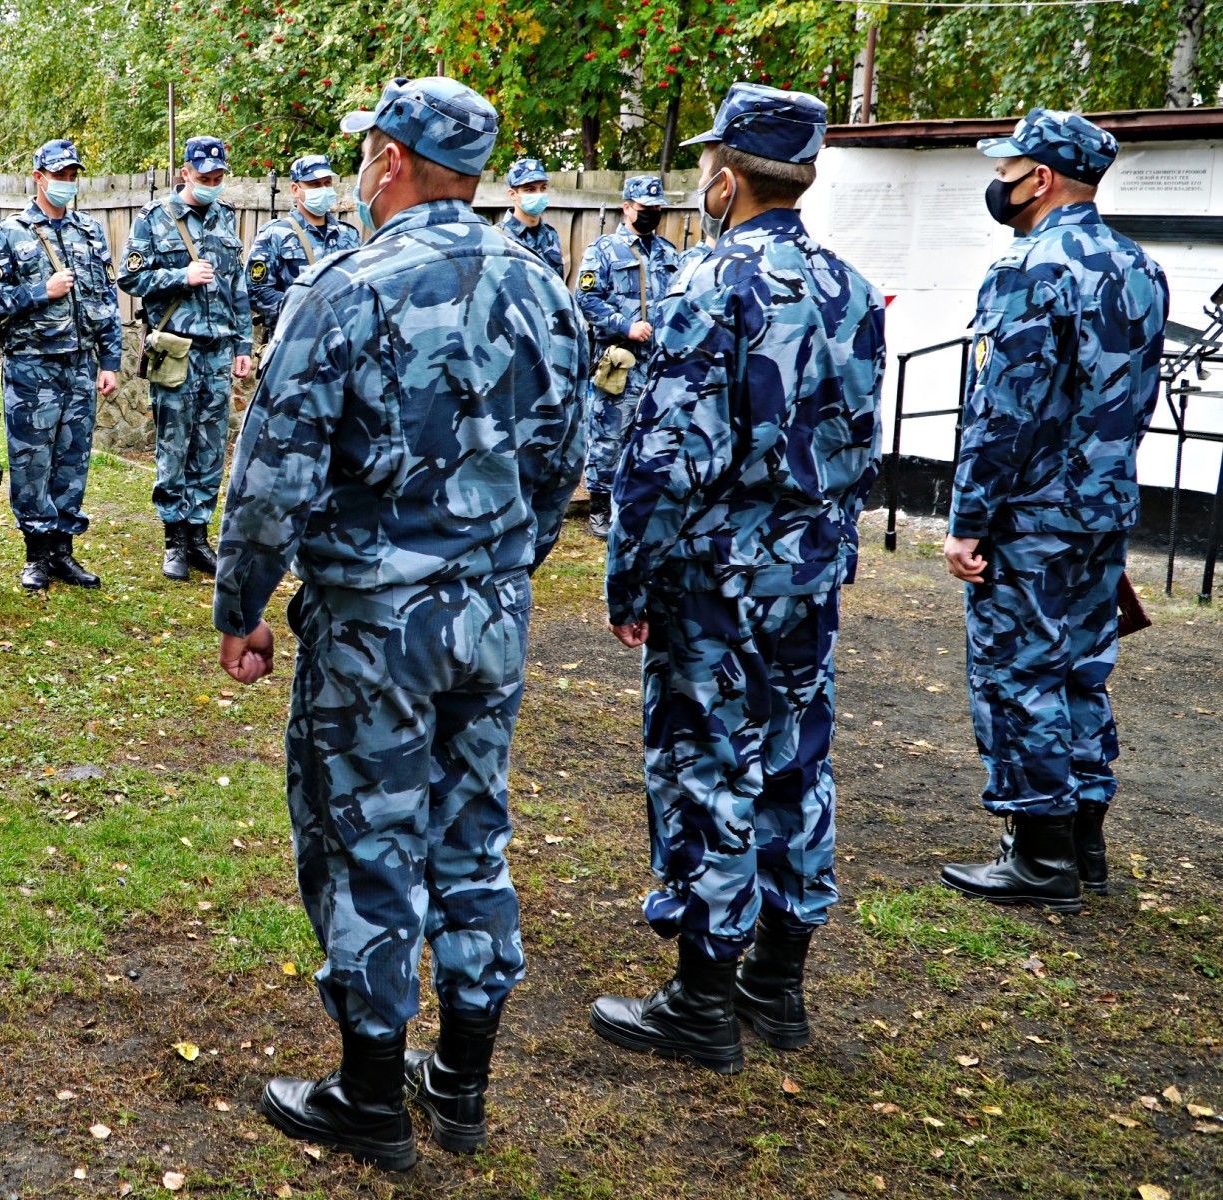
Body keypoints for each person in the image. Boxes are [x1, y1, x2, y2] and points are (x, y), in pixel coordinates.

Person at [213, 77, 586, 1169]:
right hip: (491, 618)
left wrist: (241, 608)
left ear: (390, 158)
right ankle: (462, 1082)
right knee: (473, 832)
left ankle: (373, 1092)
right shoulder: (543, 288)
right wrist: (511, 566)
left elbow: (272, 476)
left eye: (369, 152)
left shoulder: (346, 285)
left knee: (368, 841)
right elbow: (567, 459)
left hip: (377, 629)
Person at [591, 84, 887, 1074]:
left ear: (726, 178)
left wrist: (628, 577)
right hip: (807, 575)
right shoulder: (849, 289)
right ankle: (781, 981)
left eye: (706, 165)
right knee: (797, 762)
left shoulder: (707, 282)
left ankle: (704, 999)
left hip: (716, 583)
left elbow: (666, 456)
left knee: (710, 766)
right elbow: (859, 444)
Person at [939, 110, 1168, 910]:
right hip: (1103, 507)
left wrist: (968, 521)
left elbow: (1003, 411)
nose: (998, 181)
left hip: (1032, 515)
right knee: (1080, 669)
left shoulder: (1028, 268)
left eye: (1009, 168)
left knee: (1020, 674)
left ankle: (1039, 860)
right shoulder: (1139, 267)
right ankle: (1084, 845)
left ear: (1040, 178)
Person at [0, 138, 122, 592]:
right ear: (38, 177)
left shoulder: (91, 232)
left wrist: (109, 361)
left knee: (72, 459)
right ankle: (36, 554)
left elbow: (106, 300)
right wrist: (41, 291)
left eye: (72, 175)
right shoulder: (12, 232)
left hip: (80, 364)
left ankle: (63, 551)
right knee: (31, 460)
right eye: (58, 175)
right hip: (31, 369)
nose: (66, 183)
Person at [117, 136, 254, 582]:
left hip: (217, 351)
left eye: (218, 178)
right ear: (185, 173)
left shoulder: (225, 219)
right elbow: (129, 277)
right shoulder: (154, 220)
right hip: (176, 349)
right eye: (204, 177)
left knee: (211, 447)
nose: (212, 184)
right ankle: (174, 540)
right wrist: (181, 274)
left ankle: (198, 536)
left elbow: (238, 289)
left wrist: (243, 345)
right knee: (174, 445)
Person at [575, 174, 681, 538]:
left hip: (659, 364)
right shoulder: (603, 250)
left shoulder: (669, 254)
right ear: (627, 207)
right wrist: (625, 325)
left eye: (657, 209)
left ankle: (636, 504)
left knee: (652, 435)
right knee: (608, 435)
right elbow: (586, 298)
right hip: (620, 360)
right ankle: (600, 507)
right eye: (645, 209)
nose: (652, 214)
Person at [246, 154, 361, 333]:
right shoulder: (275, 234)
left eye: (327, 183)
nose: (323, 189)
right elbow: (256, 289)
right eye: (315, 184)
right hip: (295, 338)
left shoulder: (348, 234)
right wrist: (302, 310)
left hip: (342, 338)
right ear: (295, 189)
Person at [497, 157, 563, 275]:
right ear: (513, 194)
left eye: (543, 188)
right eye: (530, 190)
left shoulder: (551, 234)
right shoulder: (499, 237)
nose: (539, 194)